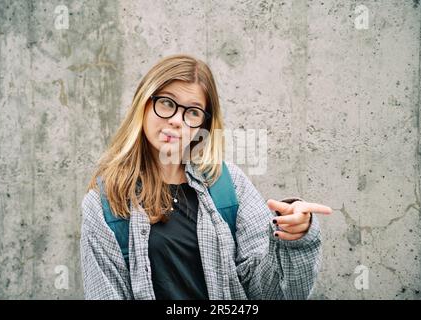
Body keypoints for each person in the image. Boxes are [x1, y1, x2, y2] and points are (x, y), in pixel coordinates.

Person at [80, 53, 332, 300]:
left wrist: (294, 239)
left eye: (192, 112)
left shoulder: (228, 185)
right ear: (143, 103)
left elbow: (270, 294)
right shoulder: (106, 205)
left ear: (203, 125)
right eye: (167, 103)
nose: (177, 120)